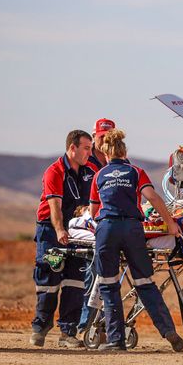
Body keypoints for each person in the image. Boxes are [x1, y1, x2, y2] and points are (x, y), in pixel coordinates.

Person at [89, 128, 183, 352]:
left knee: (109, 285)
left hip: (107, 228)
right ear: (124, 151)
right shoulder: (136, 172)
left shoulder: (99, 175)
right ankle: (168, 331)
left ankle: (116, 341)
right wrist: (170, 223)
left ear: (106, 154)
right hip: (132, 228)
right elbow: (153, 197)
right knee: (145, 283)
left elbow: (94, 212)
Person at [30, 129, 97, 348]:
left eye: (90, 148)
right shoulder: (55, 171)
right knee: (49, 277)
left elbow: (94, 202)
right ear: (72, 148)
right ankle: (40, 327)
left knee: (75, 281)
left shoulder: (91, 171)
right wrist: (60, 231)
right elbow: (54, 207)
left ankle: (68, 333)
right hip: (51, 231)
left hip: (77, 232)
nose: (89, 153)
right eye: (86, 148)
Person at [77, 117, 115, 337]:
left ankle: (105, 324)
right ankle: (85, 324)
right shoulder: (84, 160)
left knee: (108, 276)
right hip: (86, 223)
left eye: (109, 137)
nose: (104, 141)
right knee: (91, 274)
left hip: (109, 223)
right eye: (101, 137)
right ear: (94, 137)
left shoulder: (118, 161)